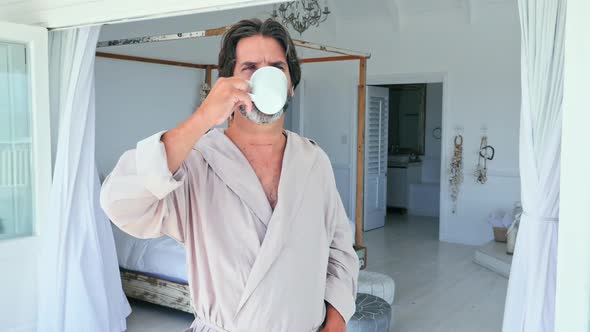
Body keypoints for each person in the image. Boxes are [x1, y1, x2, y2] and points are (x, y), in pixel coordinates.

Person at [100, 18, 358, 332]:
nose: (266, 76)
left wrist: (336, 321)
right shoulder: (196, 162)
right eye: (250, 68)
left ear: (291, 83)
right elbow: (118, 201)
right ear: (227, 83)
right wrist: (204, 117)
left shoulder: (313, 160)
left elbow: (341, 251)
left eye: (277, 67)